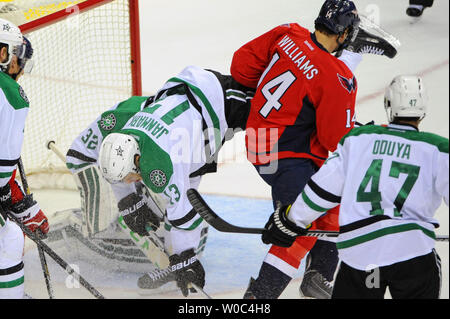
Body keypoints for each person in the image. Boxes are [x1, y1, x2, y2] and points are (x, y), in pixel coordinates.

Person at [230, 0, 398, 299]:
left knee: (334, 197)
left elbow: (241, 67)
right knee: (301, 222)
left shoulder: (287, 33)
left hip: (257, 142)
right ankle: (259, 297)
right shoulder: (338, 78)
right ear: (344, 34)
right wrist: (359, 131)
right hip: (287, 157)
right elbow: (337, 139)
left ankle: (318, 273)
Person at [65, 65, 254, 297]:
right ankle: (160, 239)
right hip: (182, 100)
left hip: (216, 102)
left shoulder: (161, 162)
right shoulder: (117, 124)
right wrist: (128, 201)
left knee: (278, 113)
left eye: (129, 176)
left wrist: (186, 258)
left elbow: (184, 208)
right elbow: (88, 159)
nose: (128, 180)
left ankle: (182, 248)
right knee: (176, 189)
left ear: (138, 158)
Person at [262, 75, 448, 299]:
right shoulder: (438, 149)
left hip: (362, 253)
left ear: (388, 104)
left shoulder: (359, 139)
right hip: (412, 252)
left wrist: (290, 220)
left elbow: (322, 190)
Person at [0, 18, 49, 299]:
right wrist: (21, 206)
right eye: (14, 56)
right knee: (9, 238)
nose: (16, 68)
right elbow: (2, 174)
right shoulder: (10, 92)